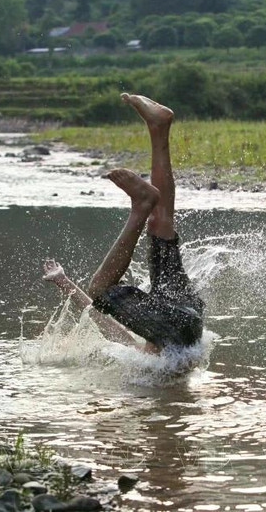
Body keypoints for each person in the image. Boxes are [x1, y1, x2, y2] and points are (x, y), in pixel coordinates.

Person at [43, 94, 203, 355]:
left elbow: (105, 323)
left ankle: (158, 132)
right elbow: (107, 322)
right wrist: (64, 283)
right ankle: (143, 192)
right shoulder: (157, 353)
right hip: (175, 326)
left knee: (160, 221)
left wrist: (64, 282)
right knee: (101, 288)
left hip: (189, 313)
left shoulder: (154, 344)